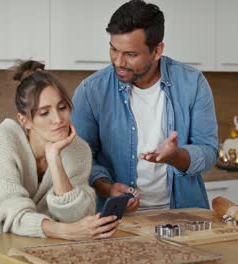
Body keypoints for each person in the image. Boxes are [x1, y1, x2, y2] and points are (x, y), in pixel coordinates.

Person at [0, 61, 120, 264]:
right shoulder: (4, 139)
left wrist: (54, 159)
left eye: (62, 107)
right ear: (25, 121)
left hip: (11, 236)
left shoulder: (78, 150)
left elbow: (76, 216)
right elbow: (13, 213)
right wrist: (65, 231)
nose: (58, 119)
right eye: (44, 112)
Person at [71, 0, 218, 212]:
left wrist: (175, 157)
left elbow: (209, 152)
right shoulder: (91, 91)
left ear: (157, 51)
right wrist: (107, 187)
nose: (118, 62)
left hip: (182, 215)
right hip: (118, 220)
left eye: (130, 54)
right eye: (113, 49)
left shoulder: (192, 83)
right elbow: (79, 158)